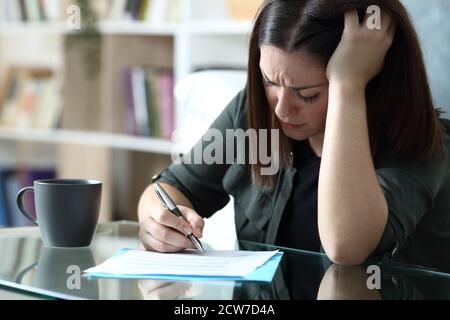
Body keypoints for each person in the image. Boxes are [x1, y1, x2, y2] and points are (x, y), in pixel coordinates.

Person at [138, 0, 450, 270]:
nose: (282, 110)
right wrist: (157, 220)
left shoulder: (422, 145)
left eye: (307, 94)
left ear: (369, 79)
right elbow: (170, 187)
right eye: (270, 81)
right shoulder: (252, 110)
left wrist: (347, 84)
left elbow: (346, 246)